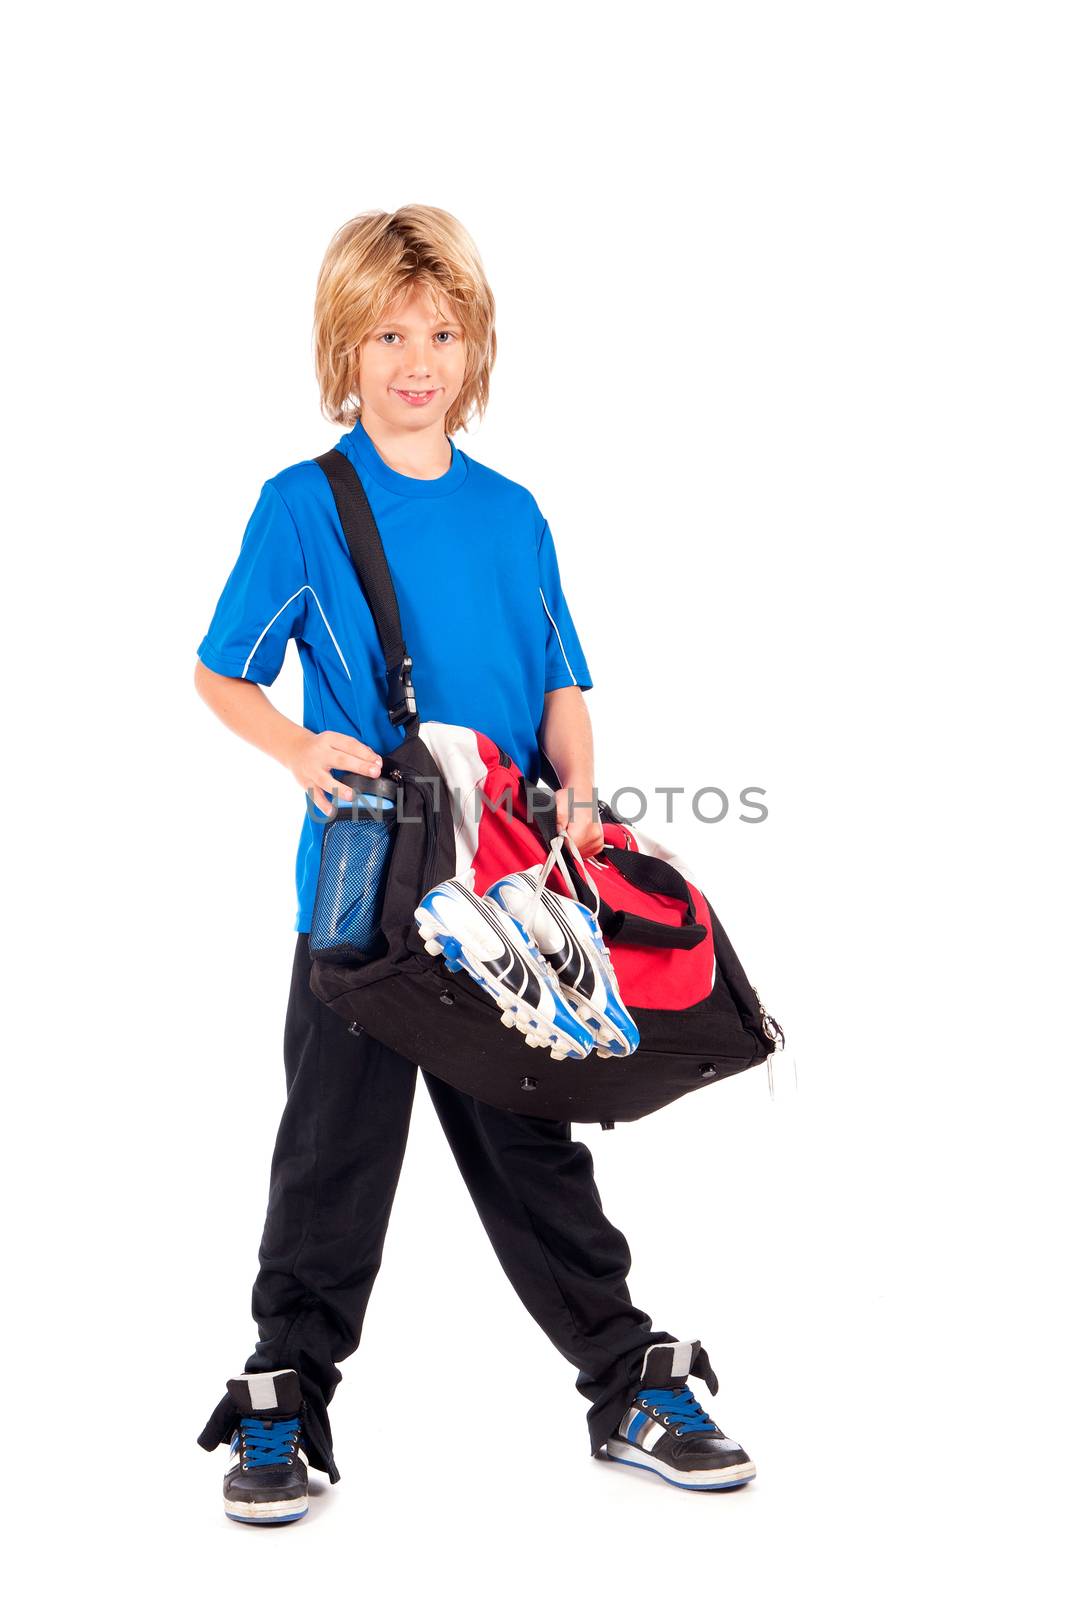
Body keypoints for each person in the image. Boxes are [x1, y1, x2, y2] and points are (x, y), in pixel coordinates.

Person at [193, 205, 754, 1523]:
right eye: (388, 331)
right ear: (348, 343)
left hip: (508, 899)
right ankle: (284, 1404)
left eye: (440, 331)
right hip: (367, 896)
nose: (415, 359)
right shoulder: (304, 505)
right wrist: (297, 748)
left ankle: (630, 1384)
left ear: (473, 346)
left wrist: (579, 798)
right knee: (331, 1161)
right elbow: (221, 671)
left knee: (536, 1150)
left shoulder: (513, 514)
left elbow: (563, 678)